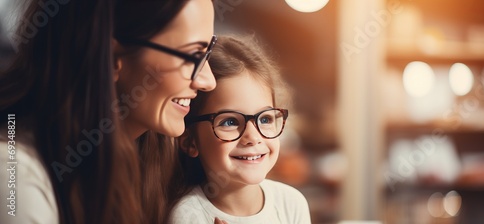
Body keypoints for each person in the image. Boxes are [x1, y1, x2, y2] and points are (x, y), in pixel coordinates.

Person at [0, 0, 217, 223]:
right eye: (193, 55)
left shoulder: (155, 159)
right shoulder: (16, 179)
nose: (208, 81)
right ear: (112, 58)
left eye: (208, 52)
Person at [169, 35, 311, 224]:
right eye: (229, 122)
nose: (253, 137)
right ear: (190, 141)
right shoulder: (188, 216)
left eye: (265, 118)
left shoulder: (291, 203)